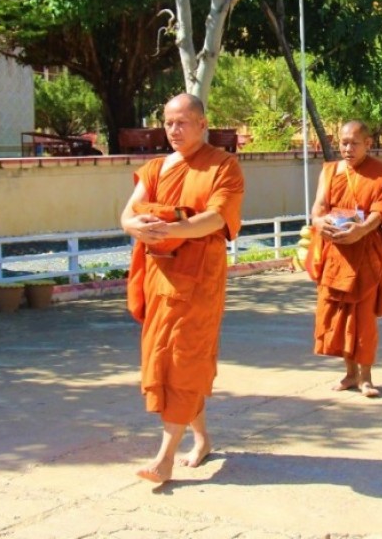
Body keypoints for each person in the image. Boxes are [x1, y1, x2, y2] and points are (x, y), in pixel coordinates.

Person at [121, 93, 246, 484]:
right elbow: (127, 213)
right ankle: (203, 439)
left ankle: (164, 457)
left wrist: (171, 229)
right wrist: (134, 226)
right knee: (168, 360)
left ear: (202, 124)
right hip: (160, 277)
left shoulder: (223, 166)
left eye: (182, 122)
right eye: (169, 122)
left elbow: (215, 218)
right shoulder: (156, 168)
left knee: (183, 360)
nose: (174, 130)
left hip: (199, 281)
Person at [308, 120, 382, 398]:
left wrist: (361, 229)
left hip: (365, 253)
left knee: (362, 318)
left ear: (368, 144)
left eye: (354, 143)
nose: (347, 148)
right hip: (336, 252)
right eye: (343, 142)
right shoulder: (330, 171)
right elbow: (319, 206)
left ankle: (366, 378)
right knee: (338, 316)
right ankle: (349, 374)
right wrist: (318, 222)